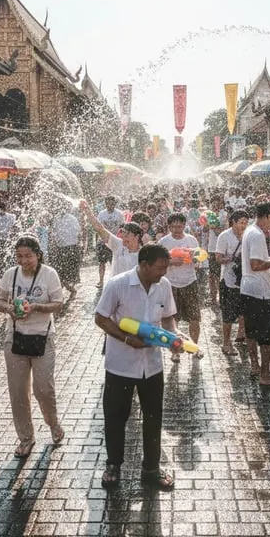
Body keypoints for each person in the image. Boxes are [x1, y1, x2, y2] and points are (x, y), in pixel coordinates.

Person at [95, 243, 180, 490]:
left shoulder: (163, 286)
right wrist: (126, 338)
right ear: (144, 265)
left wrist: (174, 337)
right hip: (120, 364)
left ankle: (151, 469)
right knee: (115, 417)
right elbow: (100, 318)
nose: (164, 272)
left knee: (154, 417)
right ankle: (113, 465)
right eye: (160, 267)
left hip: (152, 365)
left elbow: (167, 317)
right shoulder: (118, 284)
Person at [0, 235, 65, 456]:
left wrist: (35, 307)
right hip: (14, 338)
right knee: (18, 391)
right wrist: (9, 309)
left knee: (43, 388)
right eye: (20, 256)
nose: (24, 261)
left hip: (43, 337)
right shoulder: (10, 274)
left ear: (38, 255)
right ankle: (26, 438)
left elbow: (58, 303)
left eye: (28, 256)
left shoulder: (49, 274)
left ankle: (52, 423)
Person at [240, 202, 270, 386]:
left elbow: (258, 261)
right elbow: (256, 264)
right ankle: (266, 374)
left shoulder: (251, 231)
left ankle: (255, 366)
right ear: (267, 216)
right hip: (259, 291)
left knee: (251, 331)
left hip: (249, 289)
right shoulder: (257, 235)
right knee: (266, 335)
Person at [159, 213, 204, 362]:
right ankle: (175, 351)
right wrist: (171, 262)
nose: (177, 230)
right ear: (169, 227)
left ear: (184, 226)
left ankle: (195, 346)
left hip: (190, 282)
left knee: (194, 317)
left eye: (179, 226)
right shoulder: (164, 241)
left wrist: (195, 259)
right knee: (173, 320)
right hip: (170, 284)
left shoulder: (191, 240)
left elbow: (199, 259)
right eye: (173, 227)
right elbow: (158, 262)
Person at [215, 209, 249, 354]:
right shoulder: (224, 236)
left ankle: (241, 334)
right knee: (228, 313)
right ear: (233, 222)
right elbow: (218, 258)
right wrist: (231, 259)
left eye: (245, 223)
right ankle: (226, 343)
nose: (243, 226)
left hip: (244, 279)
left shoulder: (248, 235)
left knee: (244, 310)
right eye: (241, 223)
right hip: (228, 280)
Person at [81, 201, 142, 278]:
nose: (123, 237)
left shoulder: (144, 253)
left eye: (127, 235)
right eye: (122, 234)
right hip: (117, 289)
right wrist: (88, 212)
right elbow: (100, 229)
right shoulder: (118, 245)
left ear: (137, 236)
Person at [50, 209, 83, 290]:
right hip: (69, 246)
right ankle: (71, 283)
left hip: (65, 247)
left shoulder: (60, 219)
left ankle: (69, 284)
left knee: (66, 267)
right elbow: (79, 232)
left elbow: (54, 234)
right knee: (71, 266)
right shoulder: (71, 218)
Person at [96, 196, 125, 285]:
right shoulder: (101, 214)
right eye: (108, 203)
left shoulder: (119, 214)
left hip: (115, 241)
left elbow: (122, 228)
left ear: (115, 204)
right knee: (101, 262)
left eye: (112, 203)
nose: (110, 205)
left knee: (115, 261)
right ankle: (101, 281)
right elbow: (98, 228)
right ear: (105, 204)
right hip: (103, 241)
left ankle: (116, 279)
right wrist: (98, 241)